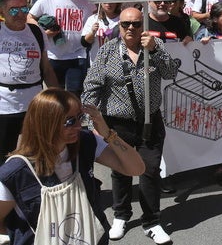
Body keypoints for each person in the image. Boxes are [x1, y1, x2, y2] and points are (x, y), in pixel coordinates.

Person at [81, 7, 179, 244]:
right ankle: (121, 215)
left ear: (143, 25)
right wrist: (90, 121)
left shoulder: (155, 48)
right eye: (126, 24)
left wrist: (155, 50)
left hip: (150, 122)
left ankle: (152, 221)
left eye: (136, 24)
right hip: (118, 124)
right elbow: (92, 87)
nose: (131, 28)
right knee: (121, 171)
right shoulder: (107, 51)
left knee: (150, 170)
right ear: (119, 26)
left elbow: (171, 72)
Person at [0, 89, 145, 245]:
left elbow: (136, 169)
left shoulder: (85, 142)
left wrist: (108, 133)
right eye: (69, 121)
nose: (78, 126)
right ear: (45, 124)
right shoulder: (15, 172)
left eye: (80, 118)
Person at [0, 0, 57, 159]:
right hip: (4, 106)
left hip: (34, 103)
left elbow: (46, 69)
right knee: (4, 155)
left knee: (37, 152)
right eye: (13, 10)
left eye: (24, 8)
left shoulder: (37, 32)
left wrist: (59, 97)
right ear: (2, 12)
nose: (20, 14)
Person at [28, 0, 95, 95]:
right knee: (55, 95)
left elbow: (98, 16)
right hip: (53, 56)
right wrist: (43, 32)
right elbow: (29, 17)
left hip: (77, 55)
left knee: (74, 94)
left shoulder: (87, 2)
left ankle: (72, 116)